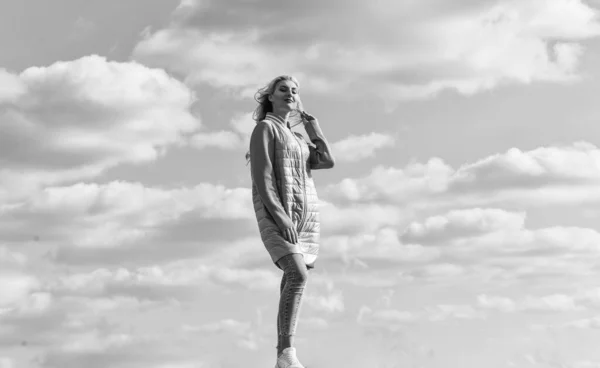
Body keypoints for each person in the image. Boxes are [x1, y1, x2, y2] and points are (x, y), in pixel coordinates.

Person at [248, 75, 335, 368]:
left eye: (295, 91)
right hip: (277, 214)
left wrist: (313, 129)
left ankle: (283, 357)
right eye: (283, 89)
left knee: (293, 278)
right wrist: (279, 213)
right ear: (270, 96)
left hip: (304, 218)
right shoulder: (265, 128)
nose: (290, 94)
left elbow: (326, 160)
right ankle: (286, 352)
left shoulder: (297, 138)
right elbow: (262, 176)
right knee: (298, 274)